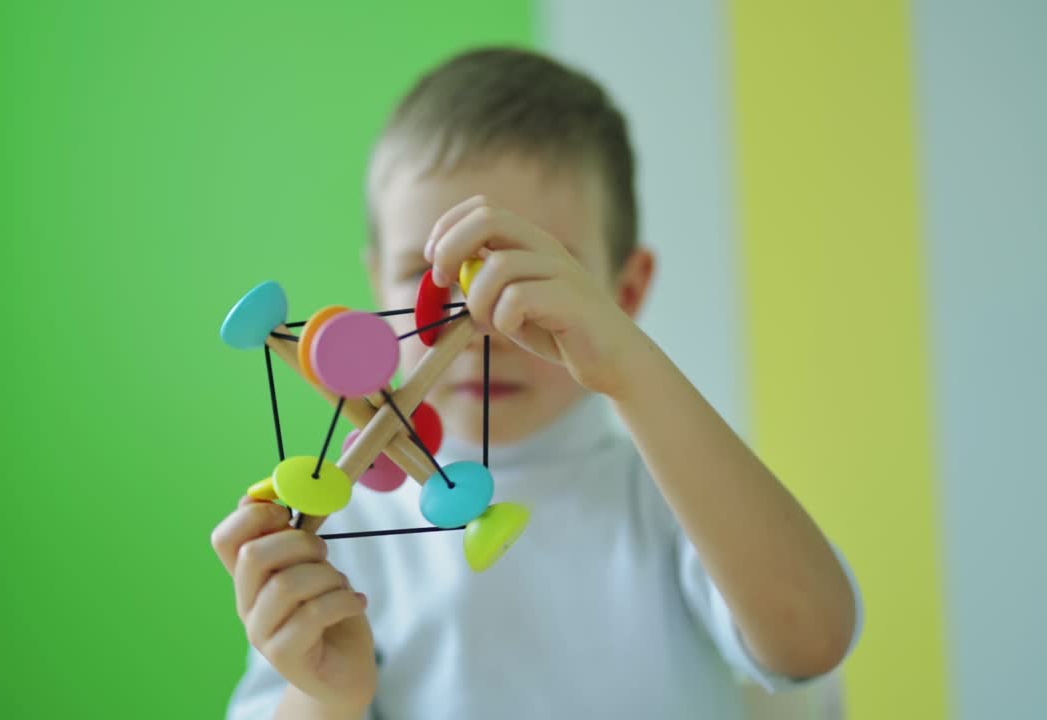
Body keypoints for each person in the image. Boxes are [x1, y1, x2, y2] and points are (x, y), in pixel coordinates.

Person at [211, 47, 863, 719]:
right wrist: (327, 691)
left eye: (530, 271)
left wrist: (630, 364)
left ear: (627, 291)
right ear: (379, 282)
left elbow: (810, 641)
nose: (484, 323)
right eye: (423, 275)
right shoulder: (339, 537)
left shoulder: (678, 498)